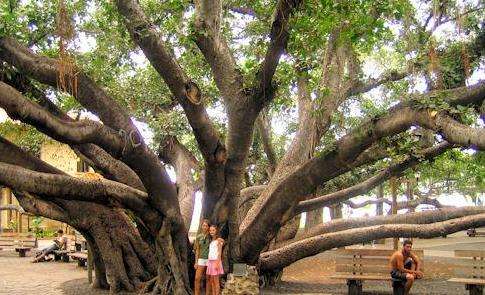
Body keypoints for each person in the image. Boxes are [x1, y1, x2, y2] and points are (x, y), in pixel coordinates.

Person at [193, 219, 211, 295]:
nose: (204, 227)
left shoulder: (211, 236)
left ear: (208, 227)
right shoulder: (198, 237)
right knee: (197, 278)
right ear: (201, 226)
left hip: (209, 259)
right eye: (203, 225)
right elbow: (197, 250)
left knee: (208, 279)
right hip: (201, 259)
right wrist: (196, 262)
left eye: (206, 226)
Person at [206, 224, 224, 295]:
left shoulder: (219, 240)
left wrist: (217, 263)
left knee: (216, 281)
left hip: (215, 261)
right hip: (210, 262)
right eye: (210, 230)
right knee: (212, 281)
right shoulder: (211, 240)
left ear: (216, 231)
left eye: (213, 230)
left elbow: (219, 252)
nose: (211, 232)